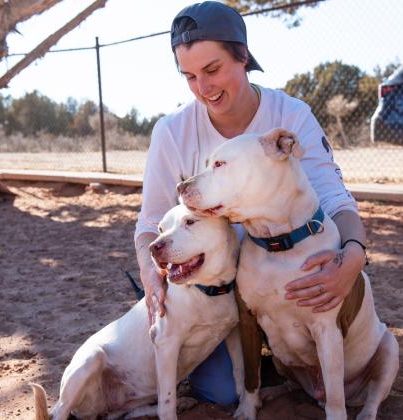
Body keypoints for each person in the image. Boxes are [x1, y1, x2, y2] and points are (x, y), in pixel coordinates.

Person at [135, 1, 367, 406]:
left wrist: (354, 255)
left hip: (284, 268)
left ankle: (277, 347)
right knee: (222, 392)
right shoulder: (172, 132)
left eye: (212, 70)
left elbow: (333, 197)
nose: (203, 88)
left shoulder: (289, 116)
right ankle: (264, 353)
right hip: (217, 292)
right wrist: (152, 279)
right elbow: (150, 222)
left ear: (242, 57)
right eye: (189, 76)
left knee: (329, 320)